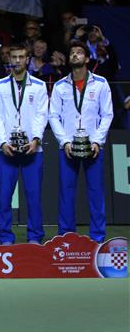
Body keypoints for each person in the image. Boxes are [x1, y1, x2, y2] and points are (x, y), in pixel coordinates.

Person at [49, 41, 113, 242]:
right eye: (72, 53)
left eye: (79, 53)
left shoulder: (101, 83)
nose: (75, 55)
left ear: (87, 58)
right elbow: (53, 116)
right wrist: (64, 142)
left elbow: (107, 114)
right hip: (68, 146)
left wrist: (97, 141)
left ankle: (97, 238)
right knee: (66, 193)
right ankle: (66, 237)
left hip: (93, 146)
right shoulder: (60, 86)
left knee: (95, 192)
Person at [0, 45, 49, 245]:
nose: (17, 60)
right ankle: (5, 237)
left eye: (21, 57)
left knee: (33, 197)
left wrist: (36, 139)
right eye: (14, 57)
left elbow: (42, 115)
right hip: (7, 149)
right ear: (9, 59)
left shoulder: (39, 86)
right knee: (5, 197)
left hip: (33, 148)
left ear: (27, 59)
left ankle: (35, 237)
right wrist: (2, 142)